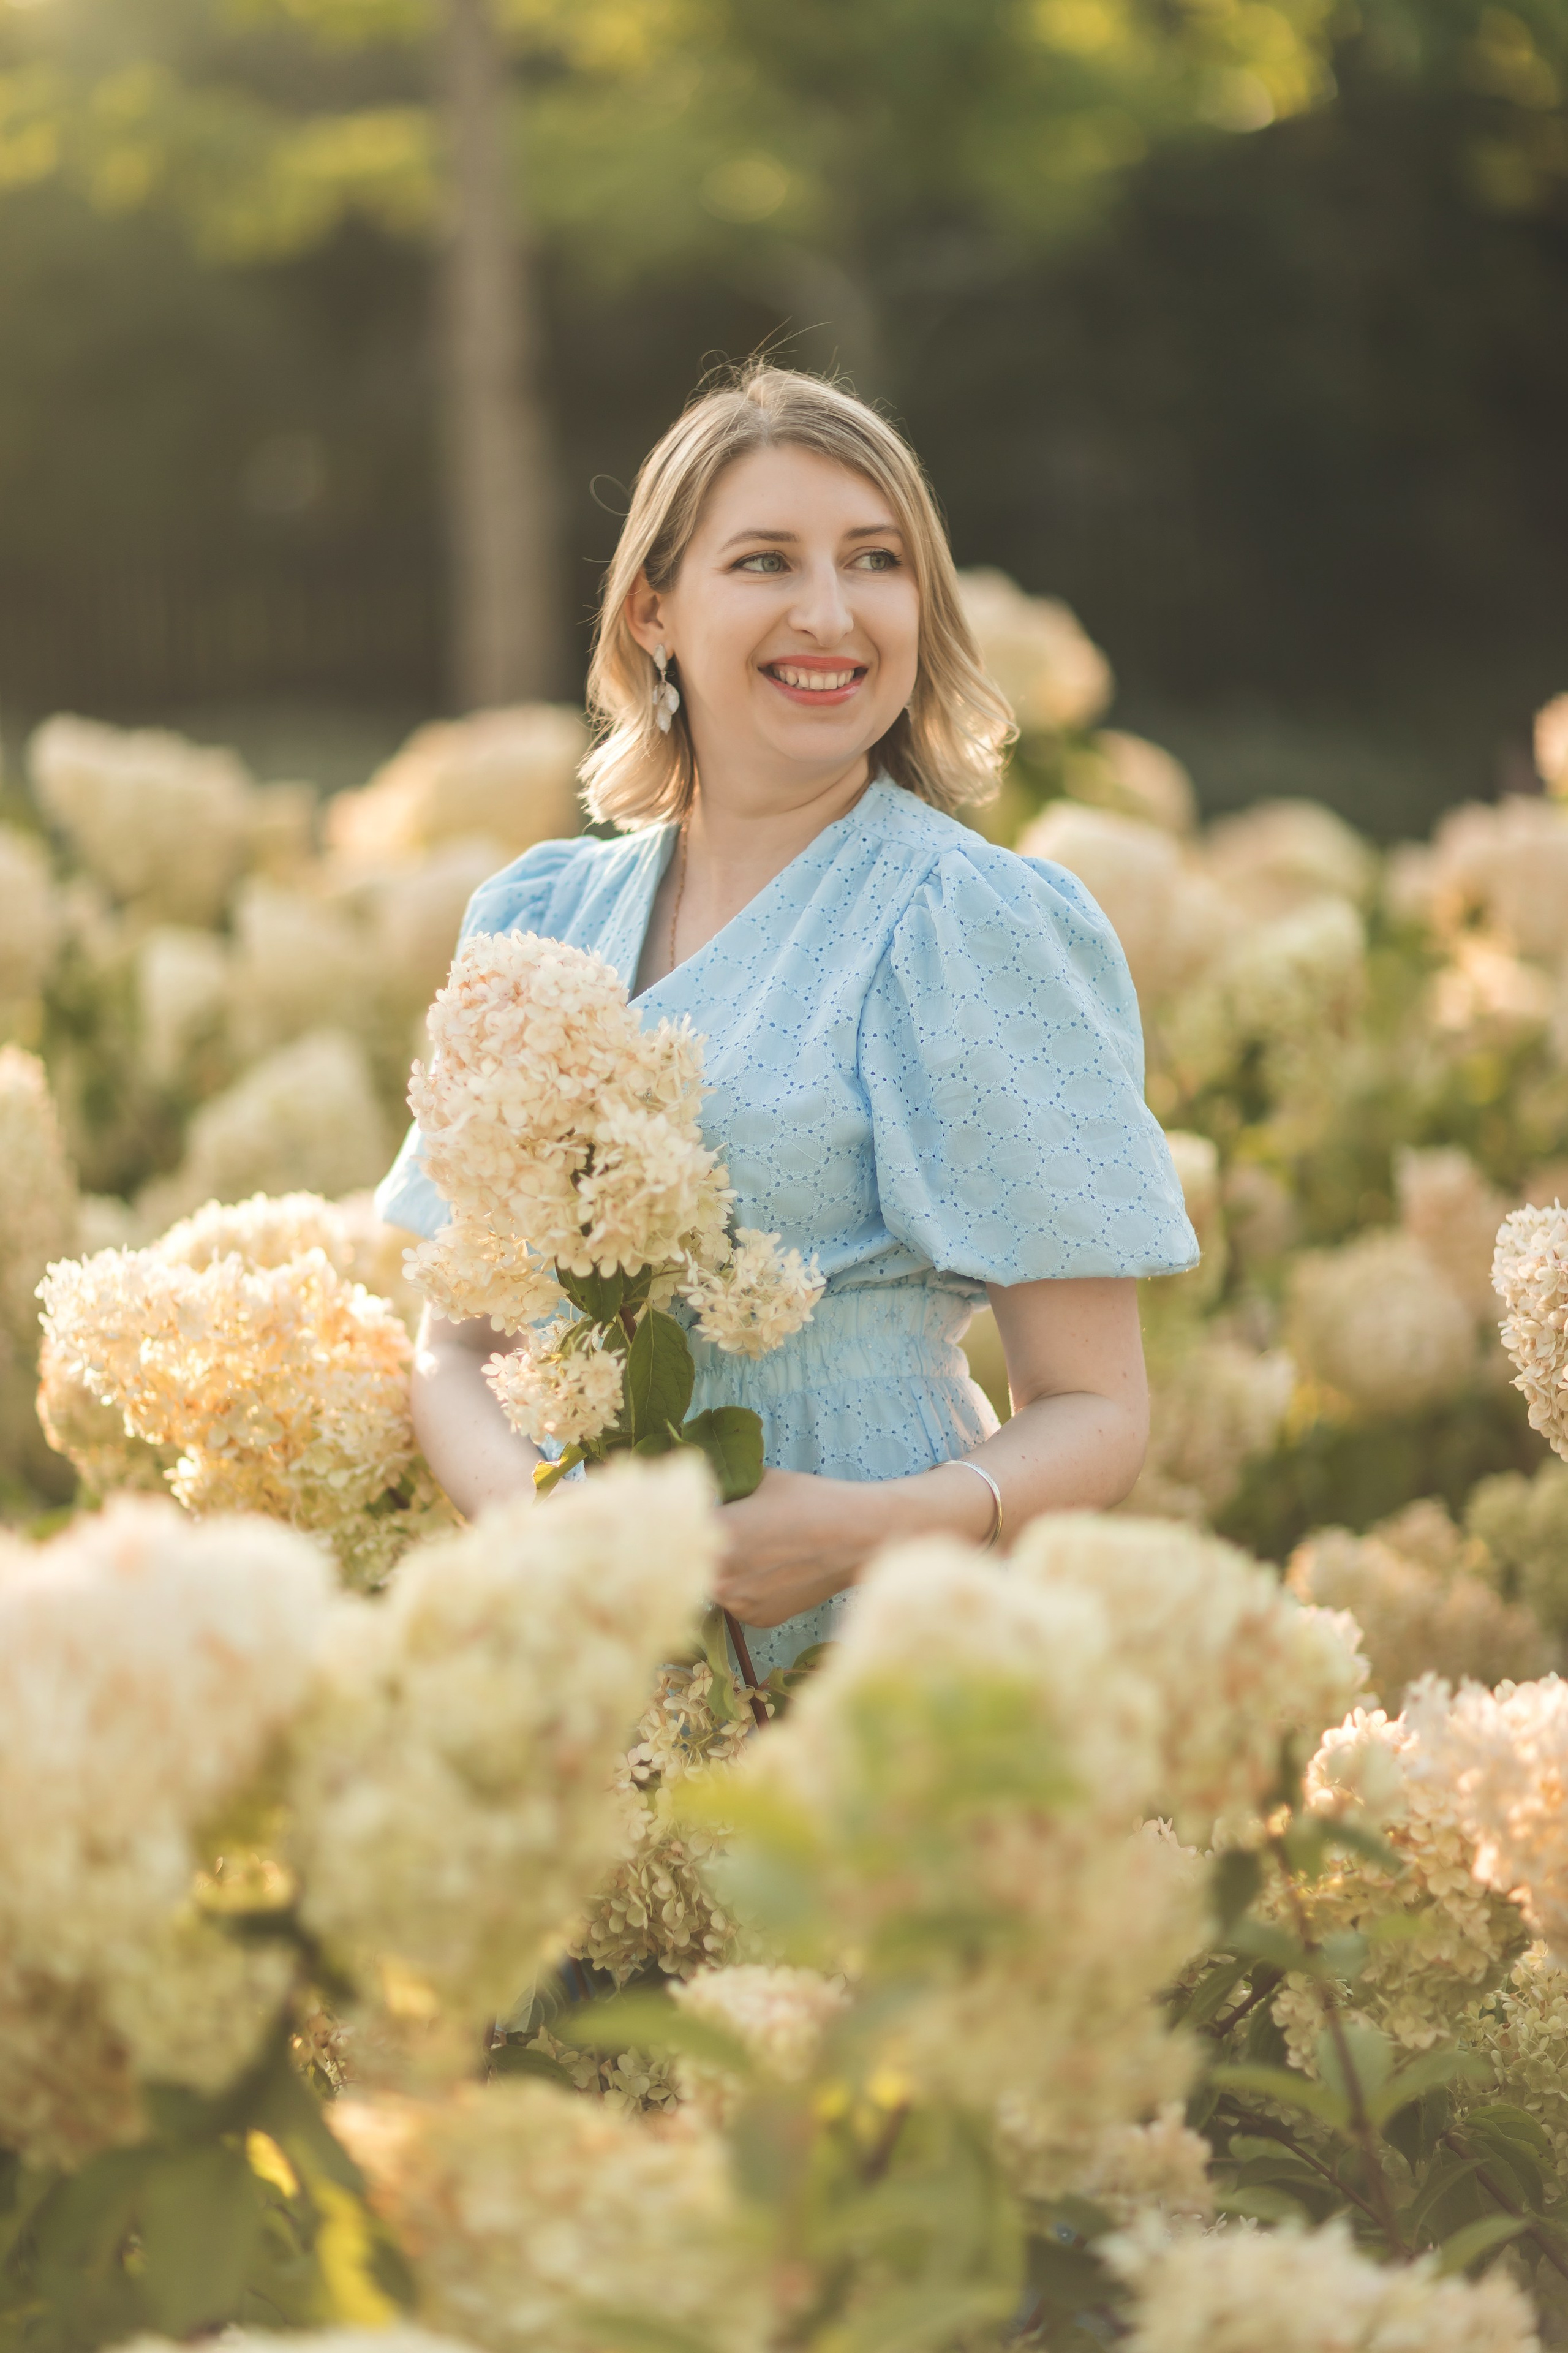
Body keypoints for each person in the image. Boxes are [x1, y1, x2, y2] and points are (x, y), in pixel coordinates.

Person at [377, 363, 1199, 1682]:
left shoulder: (966, 924)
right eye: (765, 561)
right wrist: (542, 1527)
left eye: (874, 560)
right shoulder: (535, 920)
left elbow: (1096, 1407)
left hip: (874, 1656)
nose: (830, 613)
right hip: (575, 1657)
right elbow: (454, 1344)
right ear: (653, 611)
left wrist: (874, 1529)